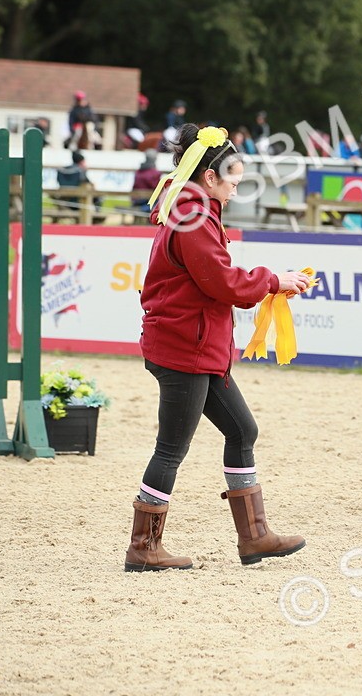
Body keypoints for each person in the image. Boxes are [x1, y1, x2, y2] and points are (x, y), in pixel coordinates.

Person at [125, 123, 312, 572]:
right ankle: (143, 547)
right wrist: (274, 281)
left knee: (242, 431)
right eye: (232, 181)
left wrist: (268, 283)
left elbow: (216, 280)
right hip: (185, 351)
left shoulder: (191, 209)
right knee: (171, 448)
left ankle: (254, 537)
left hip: (196, 347)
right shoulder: (193, 215)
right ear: (210, 177)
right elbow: (222, 282)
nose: (234, 191)